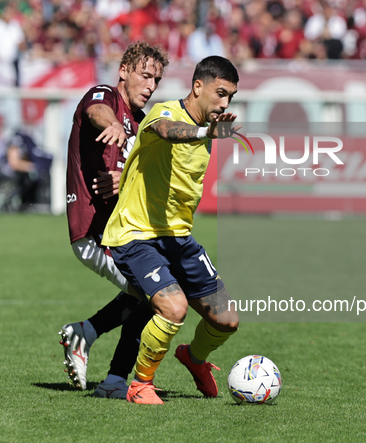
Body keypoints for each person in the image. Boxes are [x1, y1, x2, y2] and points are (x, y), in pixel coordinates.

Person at [102, 55, 241, 405]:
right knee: (173, 308)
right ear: (198, 86)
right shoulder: (164, 113)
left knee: (226, 320)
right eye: (220, 93)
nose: (225, 104)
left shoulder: (207, 126)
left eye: (231, 98)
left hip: (177, 238)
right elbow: (167, 132)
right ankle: (139, 384)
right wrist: (205, 132)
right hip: (136, 234)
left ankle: (193, 359)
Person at [59, 42, 168, 398]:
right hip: (94, 231)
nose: (151, 85)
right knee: (157, 298)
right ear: (124, 71)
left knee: (157, 294)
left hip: (124, 233)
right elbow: (96, 112)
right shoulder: (105, 96)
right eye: (145, 75)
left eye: (157, 79)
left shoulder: (141, 121)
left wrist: (128, 179)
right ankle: (114, 378)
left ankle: (89, 338)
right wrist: (115, 127)